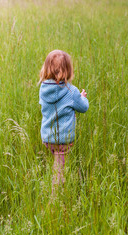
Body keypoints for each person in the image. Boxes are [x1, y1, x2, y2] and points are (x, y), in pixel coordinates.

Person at [39, 50, 89, 189]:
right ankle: (56, 196)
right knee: (59, 172)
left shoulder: (43, 89)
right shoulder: (71, 91)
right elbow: (83, 107)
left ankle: (52, 183)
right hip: (62, 141)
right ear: (68, 70)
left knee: (55, 163)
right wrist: (82, 97)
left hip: (47, 138)